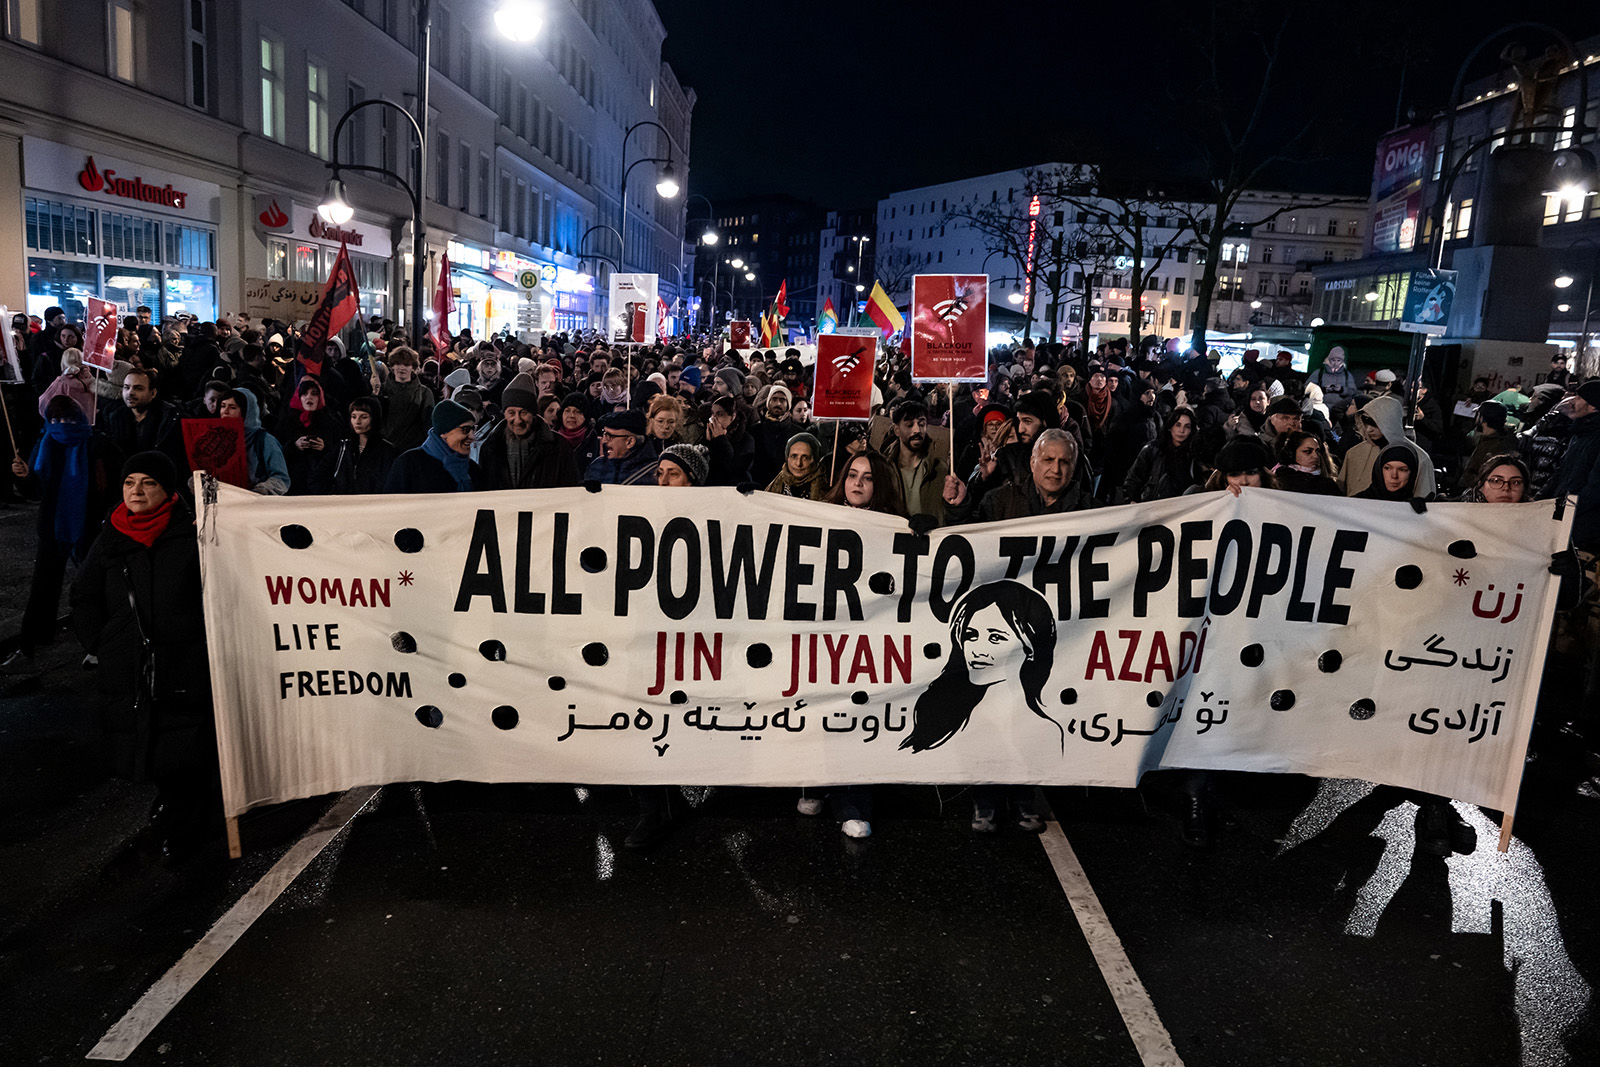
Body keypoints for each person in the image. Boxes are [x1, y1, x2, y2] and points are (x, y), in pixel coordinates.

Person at [71, 452, 218, 866]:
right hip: (130, 666)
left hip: (184, 664)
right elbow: (84, 595)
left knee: (185, 750)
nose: (136, 491)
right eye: (129, 482)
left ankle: (185, 831)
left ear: (167, 491)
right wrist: (103, 643)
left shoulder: (193, 533)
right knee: (149, 748)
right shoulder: (111, 535)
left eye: (147, 483)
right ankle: (175, 804)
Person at [900, 581, 1059, 833]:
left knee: (1025, 736)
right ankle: (985, 801)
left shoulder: (1050, 723)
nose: (977, 650)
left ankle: (1022, 799)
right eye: (971, 636)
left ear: (1029, 646)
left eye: (996, 637)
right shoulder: (952, 707)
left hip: (1024, 716)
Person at [2, 397, 118, 671]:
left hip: (90, 528)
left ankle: (100, 645)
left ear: (78, 418)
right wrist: (23, 476)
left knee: (94, 588)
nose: (60, 425)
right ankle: (28, 649)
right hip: (53, 528)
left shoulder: (98, 445)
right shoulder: (45, 444)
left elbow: (113, 487)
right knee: (43, 590)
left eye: (66, 419)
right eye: (54, 420)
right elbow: (35, 491)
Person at [477, 373, 579, 490]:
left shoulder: (559, 447)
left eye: (523, 412)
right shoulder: (490, 447)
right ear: (504, 413)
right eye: (511, 413)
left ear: (533, 413)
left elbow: (571, 488)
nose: (518, 420)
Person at [1336, 394, 1436, 498]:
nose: (1369, 429)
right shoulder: (1354, 453)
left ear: (1390, 422)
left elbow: (1424, 500)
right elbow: (1341, 492)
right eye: (1366, 421)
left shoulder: (1420, 458)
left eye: (1374, 422)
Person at [384, 398, 480, 493]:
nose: (472, 436)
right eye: (465, 429)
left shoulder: (472, 469)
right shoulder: (409, 464)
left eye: (473, 429)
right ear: (444, 432)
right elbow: (392, 504)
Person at [313, 396, 398, 495]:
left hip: (374, 507)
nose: (357, 421)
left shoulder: (389, 452)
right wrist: (332, 497)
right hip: (342, 507)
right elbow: (317, 478)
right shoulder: (342, 448)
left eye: (364, 417)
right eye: (354, 416)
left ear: (374, 418)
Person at [217, 389, 290, 495]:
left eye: (233, 407)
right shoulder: (216, 439)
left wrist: (262, 490)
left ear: (247, 412)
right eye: (223, 406)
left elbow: (281, 478)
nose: (225, 411)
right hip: (224, 503)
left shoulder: (265, 441)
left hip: (257, 506)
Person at [1122, 407, 1200, 503]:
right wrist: (1132, 499)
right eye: (1178, 425)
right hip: (1150, 505)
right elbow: (1133, 478)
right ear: (1170, 427)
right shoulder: (1153, 449)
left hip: (1181, 508)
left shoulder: (1194, 454)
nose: (1181, 430)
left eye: (1187, 426)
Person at [379, 347, 435, 452]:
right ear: (392, 366)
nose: (402, 368)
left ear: (413, 367)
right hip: (384, 449)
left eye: (407, 365)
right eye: (398, 364)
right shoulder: (382, 390)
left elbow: (428, 425)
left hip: (413, 450)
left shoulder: (425, 393)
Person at [584, 409, 658, 486]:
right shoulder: (596, 466)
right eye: (604, 434)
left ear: (630, 442)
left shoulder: (657, 473)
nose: (603, 441)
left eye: (610, 436)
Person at [1272, 430, 1340, 495]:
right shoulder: (1279, 481)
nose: (1315, 456)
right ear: (1291, 454)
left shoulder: (1327, 483)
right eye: (1307, 451)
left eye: (1317, 451)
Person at [764, 432, 827, 500]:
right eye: (794, 456)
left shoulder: (825, 486)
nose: (798, 463)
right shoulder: (778, 482)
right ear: (787, 458)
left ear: (815, 460)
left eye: (805, 457)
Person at [1356, 445, 1420, 501]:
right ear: (1379, 470)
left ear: (1412, 473)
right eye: (1387, 468)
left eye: (1402, 470)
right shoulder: (1354, 503)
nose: (1394, 476)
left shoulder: (1417, 506)